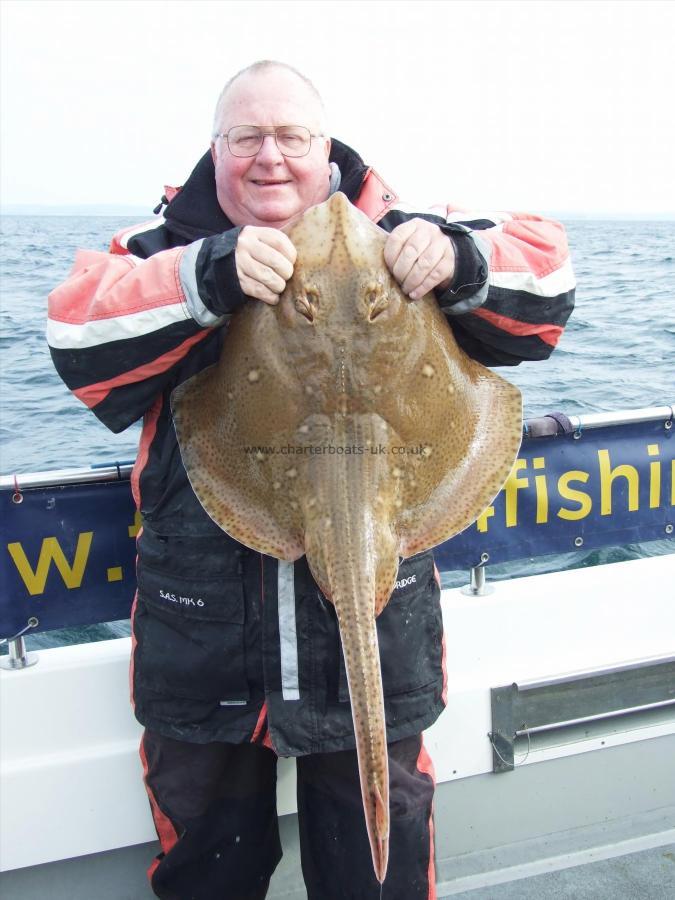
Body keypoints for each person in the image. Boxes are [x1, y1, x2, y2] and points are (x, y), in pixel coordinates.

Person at [48, 60, 575, 900]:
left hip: (379, 627)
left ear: (323, 146)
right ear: (213, 149)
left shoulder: (405, 229)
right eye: (244, 136)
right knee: (206, 871)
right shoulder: (160, 253)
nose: (269, 157)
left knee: (380, 871)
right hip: (207, 644)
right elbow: (77, 339)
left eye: (290, 136)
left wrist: (456, 259)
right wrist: (204, 280)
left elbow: (547, 281)